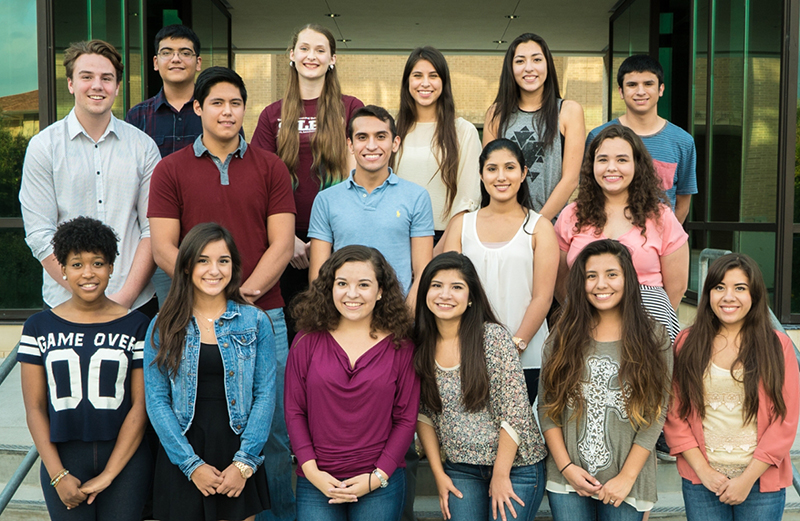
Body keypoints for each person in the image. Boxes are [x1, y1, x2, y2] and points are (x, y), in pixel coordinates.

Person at [148, 66, 296, 521]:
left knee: (272, 433)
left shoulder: (270, 166)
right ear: (198, 108)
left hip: (262, 314)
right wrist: (209, 292)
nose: (226, 111)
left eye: (235, 103)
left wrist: (240, 294)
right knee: (189, 419)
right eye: (216, 102)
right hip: (190, 319)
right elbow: (162, 247)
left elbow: (283, 244)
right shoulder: (170, 169)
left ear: (244, 109)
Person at [18, 216, 151, 520]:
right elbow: (35, 408)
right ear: (62, 269)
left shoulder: (137, 325)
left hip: (125, 460)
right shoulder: (38, 327)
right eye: (77, 264)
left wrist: (109, 474)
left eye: (98, 263)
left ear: (111, 266)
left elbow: (140, 406)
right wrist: (57, 475)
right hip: (63, 458)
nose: (88, 273)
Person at [144, 223, 276, 521]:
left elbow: (265, 395)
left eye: (223, 261)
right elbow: (156, 400)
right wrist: (191, 465)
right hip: (182, 453)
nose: (213, 270)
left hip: (238, 451)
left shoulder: (256, 322)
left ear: (234, 266)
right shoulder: (162, 324)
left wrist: (244, 464)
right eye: (203, 260)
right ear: (187, 266)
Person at [20, 40, 159, 314]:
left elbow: (152, 230)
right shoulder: (44, 146)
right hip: (64, 303)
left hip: (134, 303)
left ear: (117, 87)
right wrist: (83, 294)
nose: (97, 86)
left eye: (106, 78)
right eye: (86, 77)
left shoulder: (143, 147)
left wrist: (124, 299)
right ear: (71, 83)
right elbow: (39, 233)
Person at [538, 239, 673, 521]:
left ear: (628, 279)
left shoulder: (654, 337)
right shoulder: (562, 337)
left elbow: (655, 414)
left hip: (627, 481)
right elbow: (547, 410)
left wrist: (627, 477)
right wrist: (566, 468)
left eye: (612, 274)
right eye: (591, 276)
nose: (601, 284)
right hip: (569, 479)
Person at [285, 245, 420, 521]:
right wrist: (312, 472)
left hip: (379, 478)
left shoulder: (401, 346)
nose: (352, 294)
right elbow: (294, 411)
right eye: (342, 283)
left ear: (381, 291)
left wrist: (377, 476)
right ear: (329, 287)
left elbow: (406, 418)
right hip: (318, 478)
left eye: (364, 284)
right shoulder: (306, 341)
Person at [664, 253, 800, 520]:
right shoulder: (686, 343)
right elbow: (675, 414)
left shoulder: (776, 346)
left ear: (755, 295)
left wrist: (746, 479)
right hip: (702, 481)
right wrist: (704, 472)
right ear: (708, 293)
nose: (728, 297)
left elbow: (785, 420)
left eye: (740, 288)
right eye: (719, 287)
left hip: (761, 482)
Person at [251, 24, 363, 346]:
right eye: (304, 48)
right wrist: (289, 242)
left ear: (332, 59)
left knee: (336, 332)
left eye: (319, 50)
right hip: (287, 247)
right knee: (293, 335)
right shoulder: (272, 114)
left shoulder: (350, 108)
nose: (310, 56)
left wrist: (326, 239)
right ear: (292, 55)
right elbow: (261, 182)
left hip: (338, 240)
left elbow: (360, 173)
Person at [414, 252, 547, 521]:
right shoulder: (419, 344)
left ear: (471, 297)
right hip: (460, 468)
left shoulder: (493, 337)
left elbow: (515, 411)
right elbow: (424, 414)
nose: (445, 294)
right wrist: (439, 475)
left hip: (516, 466)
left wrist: (500, 476)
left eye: (457, 287)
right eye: (436, 285)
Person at [443, 138, 558, 404]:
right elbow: (449, 291)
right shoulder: (462, 224)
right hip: (467, 354)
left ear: (524, 173)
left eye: (510, 167)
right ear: (481, 174)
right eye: (492, 169)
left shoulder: (539, 227)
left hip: (526, 357)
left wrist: (515, 346)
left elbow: (543, 297)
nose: (501, 176)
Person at [554, 124, 688, 343]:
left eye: (622, 160)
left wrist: (641, 316)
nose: (611, 167)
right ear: (592, 166)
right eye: (603, 159)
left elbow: (677, 286)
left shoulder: (660, 216)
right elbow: (560, 280)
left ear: (637, 165)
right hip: (584, 325)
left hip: (648, 329)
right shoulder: (571, 215)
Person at [308, 104, 434, 309]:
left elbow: (423, 272)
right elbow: (318, 276)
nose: (372, 145)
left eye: (381, 136)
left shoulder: (416, 197)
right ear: (350, 144)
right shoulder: (326, 200)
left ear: (395, 143)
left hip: (398, 318)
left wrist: (405, 321)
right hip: (345, 315)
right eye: (362, 137)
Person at [126, 24, 205, 307]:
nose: (176, 59)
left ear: (198, 63)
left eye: (185, 53)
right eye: (167, 52)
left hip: (207, 234)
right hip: (156, 239)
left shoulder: (215, 111)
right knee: (167, 317)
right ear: (156, 63)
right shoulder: (138, 116)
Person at [483, 33, 585, 222]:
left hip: (550, 225)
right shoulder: (496, 114)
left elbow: (570, 179)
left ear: (547, 64)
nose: (529, 68)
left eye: (537, 59)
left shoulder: (568, 111)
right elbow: (490, 174)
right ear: (511, 68)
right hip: (504, 224)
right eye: (520, 61)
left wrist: (536, 225)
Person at [586, 55, 697, 224]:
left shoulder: (683, 141)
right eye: (632, 85)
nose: (640, 91)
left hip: (659, 243)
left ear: (661, 89)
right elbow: (589, 192)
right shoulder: (598, 137)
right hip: (608, 240)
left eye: (648, 84)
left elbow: (683, 203)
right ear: (621, 92)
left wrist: (665, 240)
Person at [393, 46, 481, 252]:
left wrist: (438, 250)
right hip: (397, 238)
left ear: (444, 82)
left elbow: (468, 199)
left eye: (433, 75)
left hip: (446, 238)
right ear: (407, 82)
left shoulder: (463, 131)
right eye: (417, 75)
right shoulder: (393, 130)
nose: (425, 83)